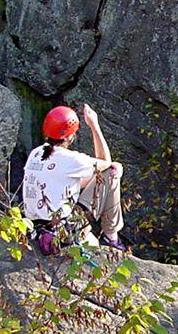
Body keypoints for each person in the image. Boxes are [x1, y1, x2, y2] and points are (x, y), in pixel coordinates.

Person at [22, 104, 127, 252]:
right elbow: (106, 163)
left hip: (36, 228)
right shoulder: (70, 159)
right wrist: (94, 126)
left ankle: (108, 236)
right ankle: (111, 237)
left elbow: (71, 183)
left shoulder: (36, 153)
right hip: (62, 230)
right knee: (111, 173)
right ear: (69, 136)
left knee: (105, 173)